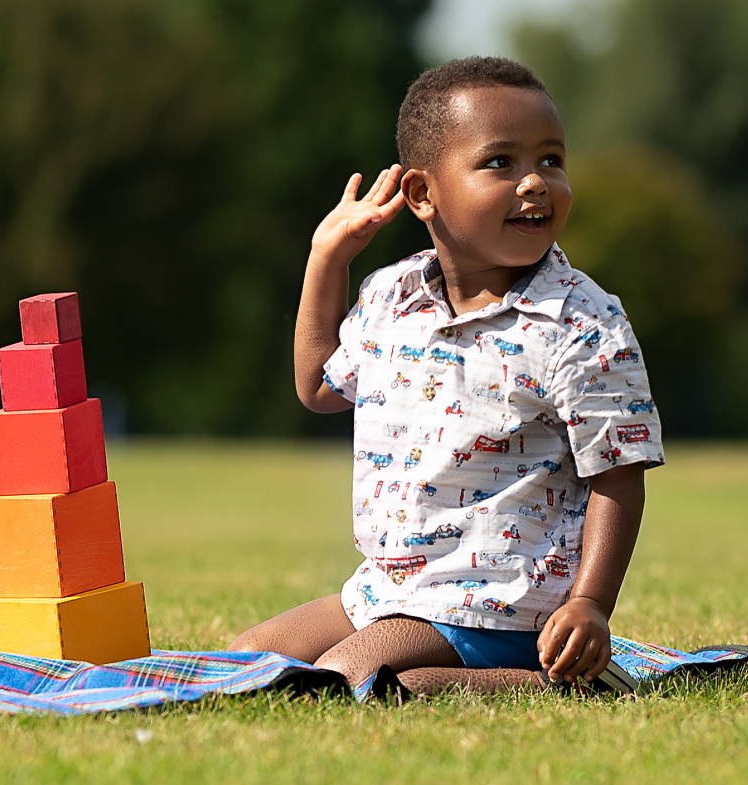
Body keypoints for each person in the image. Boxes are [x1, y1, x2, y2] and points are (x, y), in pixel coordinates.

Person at [228, 56, 664, 695]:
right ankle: (439, 676)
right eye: (500, 163)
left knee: (344, 678)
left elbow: (618, 474)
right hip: (389, 585)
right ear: (423, 194)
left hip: (507, 598)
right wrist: (327, 259)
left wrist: (591, 603)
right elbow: (319, 388)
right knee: (249, 661)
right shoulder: (392, 295)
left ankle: (571, 683)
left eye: (551, 160)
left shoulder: (581, 321)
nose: (535, 183)